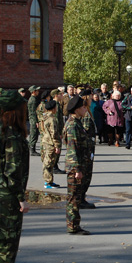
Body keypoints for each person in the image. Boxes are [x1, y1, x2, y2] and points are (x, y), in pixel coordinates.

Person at [0, 90, 30, 263]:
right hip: (10, 194)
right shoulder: (13, 136)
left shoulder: (2, 131)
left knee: (4, 241)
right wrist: (21, 198)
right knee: (8, 242)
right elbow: (12, 171)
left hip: (3, 190)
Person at [63, 95, 92, 235]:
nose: (85, 109)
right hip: (75, 167)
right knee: (73, 197)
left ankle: (74, 224)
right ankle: (73, 226)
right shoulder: (73, 125)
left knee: (76, 196)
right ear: (76, 109)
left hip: (79, 165)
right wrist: (77, 169)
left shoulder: (77, 122)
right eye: (83, 107)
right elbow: (72, 148)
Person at [41, 100, 62, 189]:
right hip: (50, 142)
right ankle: (48, 181)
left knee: (47, 161)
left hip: (45, 140)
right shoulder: (52, 119)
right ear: (54, 108)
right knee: (49, 162)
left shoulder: (44, 117)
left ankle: (49, 180)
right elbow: (54, 133)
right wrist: (57, 145)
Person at [27, 85, 41, 156]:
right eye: (37, 90)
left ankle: (32, 148)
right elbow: (33, 112)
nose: (38, 92)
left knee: (34, 134)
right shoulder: (33, 100)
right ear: (33, 92)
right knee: (34, 134)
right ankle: (32, 150)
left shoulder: (34, 98)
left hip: (33, 119)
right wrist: (36, 121)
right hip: (33, 119)